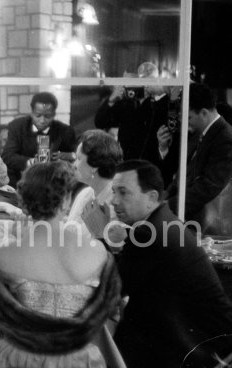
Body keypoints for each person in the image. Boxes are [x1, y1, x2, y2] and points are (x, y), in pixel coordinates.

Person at [0, 162, 122, 368]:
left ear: (25, 202)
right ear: (66, 201)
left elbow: (0, 318)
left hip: (16, 359)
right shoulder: (97, 251)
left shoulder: (6, 254)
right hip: (76, 360)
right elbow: (109, 311)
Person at [110, 160, 232, 368]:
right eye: (113, 192)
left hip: (198, 347)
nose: (113, 201)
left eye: (123, 193)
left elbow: (114, 289)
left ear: (152, 198)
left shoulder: (147, 233)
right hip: (208, 337)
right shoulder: (164, 221)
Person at [164, 83, 232, 227]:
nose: (186, 124)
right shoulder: (200, 132)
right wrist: (165, 197)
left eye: (189, 118)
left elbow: (209, 187)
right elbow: (185, 171)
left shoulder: (226, 138)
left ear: (204, 113)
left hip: (209, 226)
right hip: (187, 216)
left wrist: (168, 206)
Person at [2, 92, 76, 187]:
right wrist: (31, 162)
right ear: (32, 112)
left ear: (54, 114)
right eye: (38, 115)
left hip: (54, 185)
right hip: (20, 182)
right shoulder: (17, 126)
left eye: (47, 116)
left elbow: (76, 157)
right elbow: (7, 156)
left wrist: (68, 157)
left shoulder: (66, 131)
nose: (42, 120)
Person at [69, 130, 124, 249]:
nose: (74, 164)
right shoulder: (85, 194)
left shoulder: (116, 205)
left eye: (78, 158)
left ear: (94, 166)